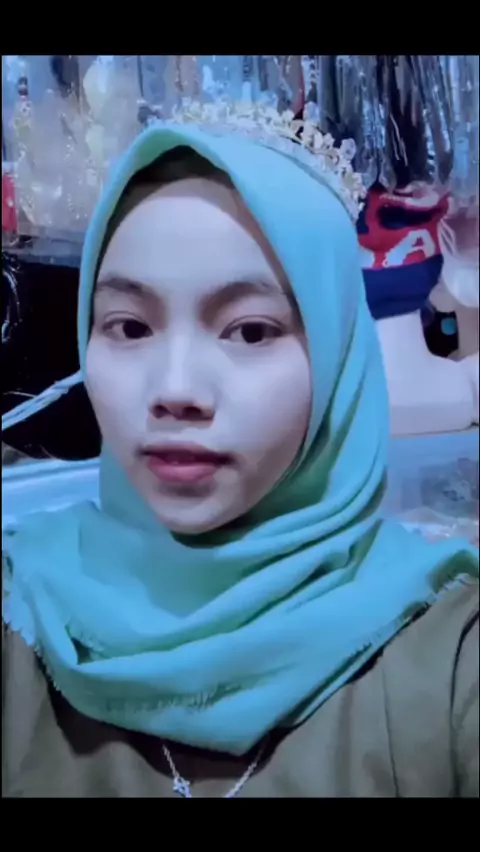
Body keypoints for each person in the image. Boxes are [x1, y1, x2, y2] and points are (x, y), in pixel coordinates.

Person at [2, 106, 478, 798]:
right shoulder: (22, 616)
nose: (175, 390)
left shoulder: (447, 662)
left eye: (250, 331)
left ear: (338, 355)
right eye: (129, 327)